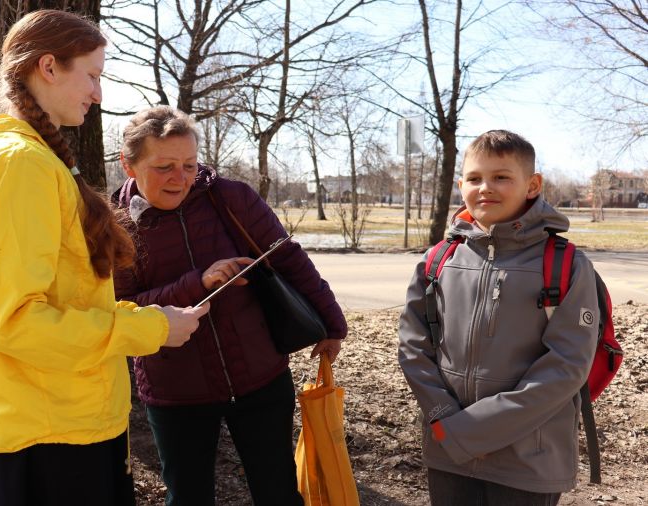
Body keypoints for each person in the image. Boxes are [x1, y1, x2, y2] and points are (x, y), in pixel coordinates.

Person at [0, 11, 208, 506]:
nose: (98, 93)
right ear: (49, 67)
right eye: (92, 75)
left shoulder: (36, 160)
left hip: (59, 421)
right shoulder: (20, 165)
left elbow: (64, 298)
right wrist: (148, 331)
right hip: (51, 440)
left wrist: (149, 317)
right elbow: (17, 322)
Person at [112, 105, 348, 506]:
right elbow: (123, 308)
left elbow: (286, 257)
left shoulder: (231, 198)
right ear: (129, 165)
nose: (180, 178)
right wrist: (197, 283)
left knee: (277, 491)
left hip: (260, 376)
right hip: (175, 391)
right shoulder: (115, 225)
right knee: (188, 498)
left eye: (189, 164)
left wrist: (330, 322)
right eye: (165, 166)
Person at [398, 130, 601, 505]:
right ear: (461, 186)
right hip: (448, 454)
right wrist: (444, 418)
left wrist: (470, 431)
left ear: (532, 185)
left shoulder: (566, 265)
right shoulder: (438, 260)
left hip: (528, 461)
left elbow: (566, 366)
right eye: (474, 178)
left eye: (501, 177)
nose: (485, 188)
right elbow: (413, 347)